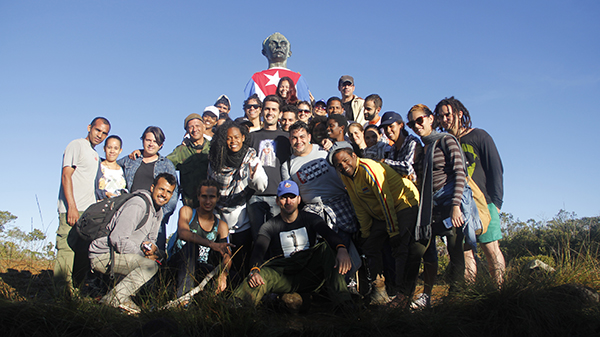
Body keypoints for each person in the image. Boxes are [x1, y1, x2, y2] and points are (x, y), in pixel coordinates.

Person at [329, 142, 422, 307]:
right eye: (339, 165)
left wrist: (393, 232)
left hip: (402, 203)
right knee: (370, 245)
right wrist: (366, 233)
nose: (343, 166)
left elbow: (384, 198)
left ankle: (401, 293)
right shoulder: (346, 176)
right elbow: (359, 205)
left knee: (400, 245)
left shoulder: (369, 169)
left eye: (345, 160)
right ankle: (379, 289)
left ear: (354, 156)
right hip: (381, 213)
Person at [233, 180, 352, 307]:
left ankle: (344, 302)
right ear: (278, 201)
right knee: (260, 274)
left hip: (309, 271)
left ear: (299, 199)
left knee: (326, 248)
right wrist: (254, 270)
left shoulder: (310, 218)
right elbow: (258, 251)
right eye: (284, 198)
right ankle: (238, 306)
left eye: (292, 197)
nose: (288, 201)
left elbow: (329, 234)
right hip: (283, 274)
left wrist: (341, 249)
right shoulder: (269, 226)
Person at [407, 104, 478, 308]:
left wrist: (456, 206)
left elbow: (459, 173)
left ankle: (456, 296)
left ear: (431, 119)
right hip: (429, 206)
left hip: (449, 202)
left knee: (455, 248)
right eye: (412, 123)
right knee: (419, 248)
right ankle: (415, 295)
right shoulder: (422, 148)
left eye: (420, 120)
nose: (416, 126)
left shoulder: (446, 140)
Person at [434, 96, 505, 286]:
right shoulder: (443, 143)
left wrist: (496, 204)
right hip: (459, 205)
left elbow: (496, 170)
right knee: (466, 252)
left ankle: (499, 291)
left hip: (485, 202)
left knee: (491, 248)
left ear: (459, 114)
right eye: (440, 116)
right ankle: (469, 294)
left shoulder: (479, 136)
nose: (444, 119)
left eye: (448, 115)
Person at [282, 122, 361, 285]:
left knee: (350, 244)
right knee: (325, 250)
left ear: (309, 137)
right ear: (289, 140)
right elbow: (292, 195)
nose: (298, 141)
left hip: (340, 204)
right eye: (294, 138)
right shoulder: (287, 165)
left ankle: (351, 284)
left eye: (302, 137)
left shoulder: (325, 151)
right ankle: (333, 287)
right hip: (313, 210)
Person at [89, 173, 177, 313]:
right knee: (149, 266)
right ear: (152, 187)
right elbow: (117, 239)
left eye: (168, 192)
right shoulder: (138, 204)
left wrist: (152, 251)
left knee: (158, 261)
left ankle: (124, 301)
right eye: (161, 189)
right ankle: (112, 300)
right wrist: (143, 256)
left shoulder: (158, 211)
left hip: (122, 255)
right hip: (104, 255)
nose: (164, 195)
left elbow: (149, 240)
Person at [55, 117, 110, 294]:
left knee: (83, 253)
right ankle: (62, 295)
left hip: (88, 213)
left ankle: (75, 292)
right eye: (97, 130)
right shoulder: (76, 145)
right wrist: (71, 206)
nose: (100, 135)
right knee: (66, 250)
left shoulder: (94, 154)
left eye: (104, 133)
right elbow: (66, 175)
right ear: (89, 128)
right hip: (72, 209)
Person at [208, 120, 268, 280]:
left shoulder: (251, 158)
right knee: (220, 263)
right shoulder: (216, 159)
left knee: (242, 263)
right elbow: (211, 188)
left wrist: (254, 175)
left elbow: (262, 186)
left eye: (236, 137)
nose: (233, 141)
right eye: (229, 138)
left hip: (242, 220)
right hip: (220, 219)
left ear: (243, 137)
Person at [170, 180, 234, 297]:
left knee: (233, 275)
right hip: (177, 264)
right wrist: (211, 244)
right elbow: (183, 233)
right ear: (198, 196)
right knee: (192, 247)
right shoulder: (187, 211)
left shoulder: (221, 226)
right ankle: (183, 300)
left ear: (218, 198)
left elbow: (226, 254)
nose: (208, 201)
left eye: (212, 197)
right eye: (204, 196)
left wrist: (223, 275)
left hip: (199, 267)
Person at [118, 126, 178, 251]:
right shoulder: (131, 160)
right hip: (131, 211)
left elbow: (174, 192)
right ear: (143, 141)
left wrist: (162, 216)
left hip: (154, 215)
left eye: (155, 141)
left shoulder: (166, 164)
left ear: (161, 145)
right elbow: (111, 166)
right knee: (125, 246)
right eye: (148, 140)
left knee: (154, 252)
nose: (151, 144)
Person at [248, 95, 292, 240]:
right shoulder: (252, 137)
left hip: (278, 195)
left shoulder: (286, 138)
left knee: (278, 240)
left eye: (274, 109)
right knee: (258, 239)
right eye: (267, 109)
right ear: (262, 111)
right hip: (255, 196)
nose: (270, 112)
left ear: (280, 114)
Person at [244, 32, 311, 102]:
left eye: (283, 44)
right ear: (264, 52)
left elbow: (305, 107)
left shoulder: (298, 79)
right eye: (273, 44)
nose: (279, 46)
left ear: (289, 53)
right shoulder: (256, 79)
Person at [165, 114, 211, 209]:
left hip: (213, 204)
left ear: (204, 127)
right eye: (191, 127)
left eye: (197, 126)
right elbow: (163, 164)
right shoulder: (181, 151)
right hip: (191, 205)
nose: (195, 129)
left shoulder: (214, 148)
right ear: (187, 130)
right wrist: (142, 153)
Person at [379, 111, 423, 183]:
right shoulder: (393, 148)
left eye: (391, 126)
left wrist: (385, 162)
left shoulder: (412, 142)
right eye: (385, 128)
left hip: (415, 190)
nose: (388, 130)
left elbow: (407, 168)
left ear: (401, 125)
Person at [96, 135, 127, 200]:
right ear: (104, 148)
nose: (112, 151)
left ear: (120, 150)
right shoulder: (98, 167)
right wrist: (105, 194)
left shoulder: (123, 170)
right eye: (109, 147)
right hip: (100, 206)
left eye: (116, 148)